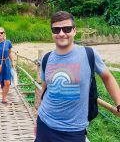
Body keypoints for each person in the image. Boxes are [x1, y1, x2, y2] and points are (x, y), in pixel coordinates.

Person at [35, 11, 120, 142]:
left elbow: (107, 77)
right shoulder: (47, 58)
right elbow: (45, 89)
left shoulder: (88, 54)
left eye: (67, 29)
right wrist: (37, 119)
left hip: (73, 130)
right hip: (45, 123)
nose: (61, 33)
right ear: (52, 33)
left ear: (74, 30)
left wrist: (119, 103)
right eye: (56, 30)